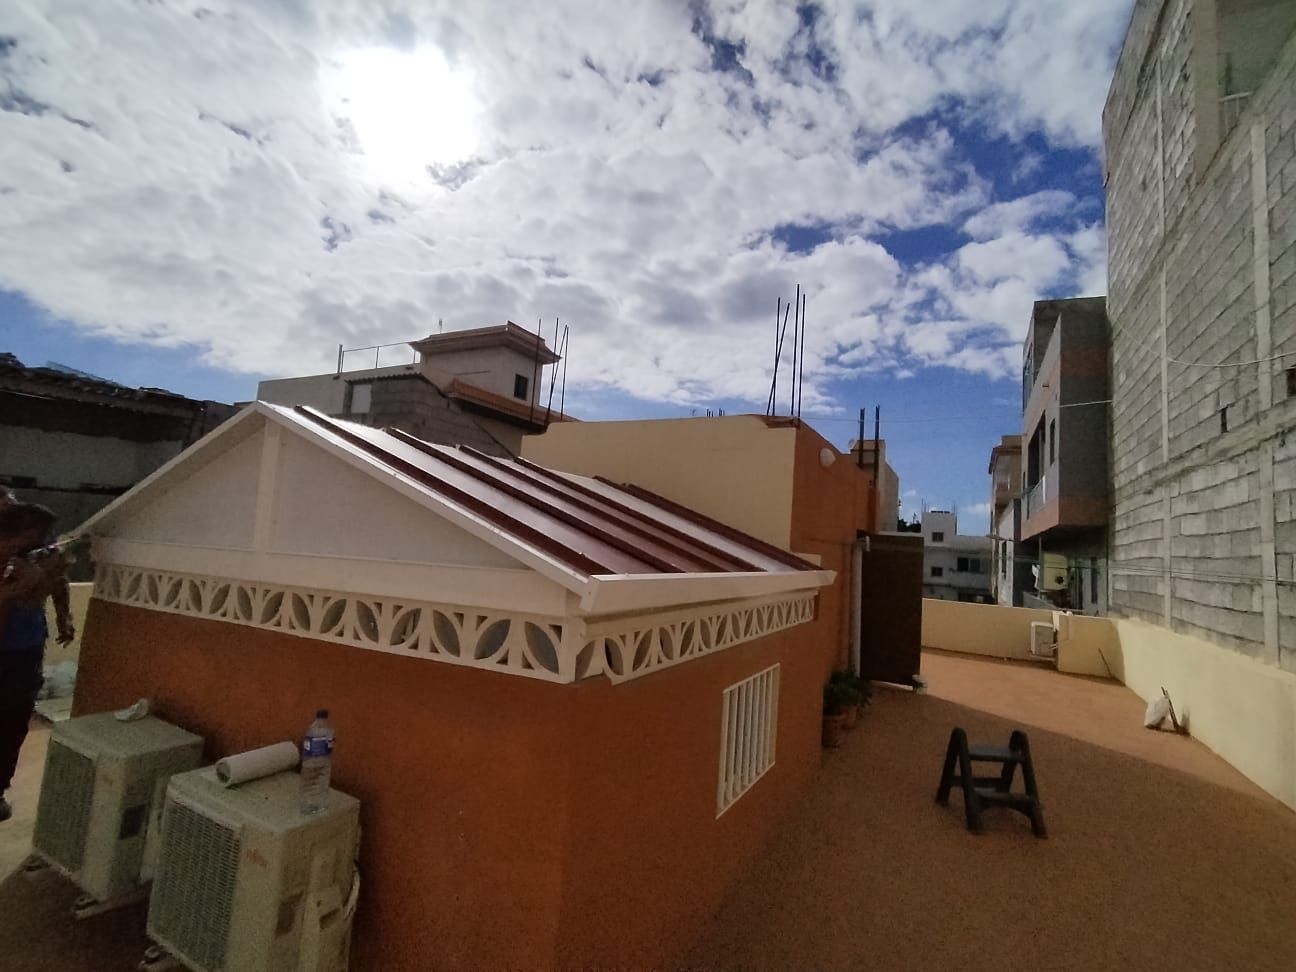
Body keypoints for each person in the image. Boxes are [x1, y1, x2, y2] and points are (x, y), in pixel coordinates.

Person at [0, 502, 74, 822]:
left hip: (26, 651)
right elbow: (20, 594)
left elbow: (56, 583)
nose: (43, 539)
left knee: (14, 723)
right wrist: (28, 581)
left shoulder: (37, 555)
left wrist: (63, 614)